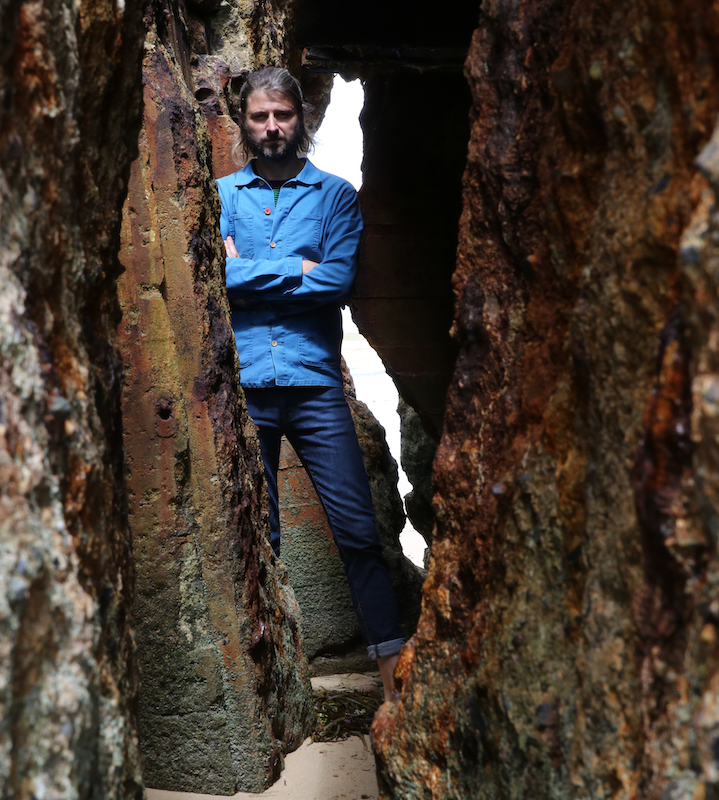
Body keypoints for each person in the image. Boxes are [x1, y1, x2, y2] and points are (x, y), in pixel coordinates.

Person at [216, 67, 405, 701]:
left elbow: (337, 282)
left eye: (284, 115)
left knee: (358, 533)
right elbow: (216, 282)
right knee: (258, 539)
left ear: (302, 119)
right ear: (244, 122)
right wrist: (295, 267)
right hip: (244, 388)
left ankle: (394, 688)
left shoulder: (335, 196)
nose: (272, 127)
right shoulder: (217, 197)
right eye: (260, 116)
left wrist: (249, 273)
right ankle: (276, 698)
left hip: (315, 385)